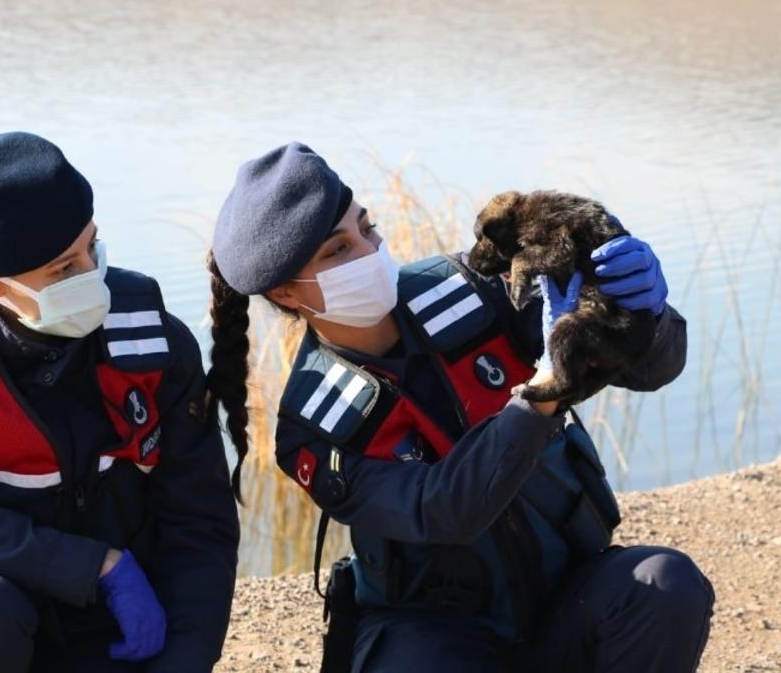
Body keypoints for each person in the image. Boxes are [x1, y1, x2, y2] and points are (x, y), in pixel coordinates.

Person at [205, 143, 714, 672]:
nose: (370, 250)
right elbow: (446, 511)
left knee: (663, 586)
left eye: (367, 227)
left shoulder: (474, 290)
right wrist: (544, 391)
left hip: (566, 595)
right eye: (338, 250)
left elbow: (650, 371)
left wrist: (641, 316)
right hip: (442, 636)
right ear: (288, 293)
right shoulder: (312, 427)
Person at [0, 133, 240, 673]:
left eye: (92, 247)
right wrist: (97, 567)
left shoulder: (151, 342)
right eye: (63, 268)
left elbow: (200, 523)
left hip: (108, 614)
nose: (91, 275)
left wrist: (185, 655)